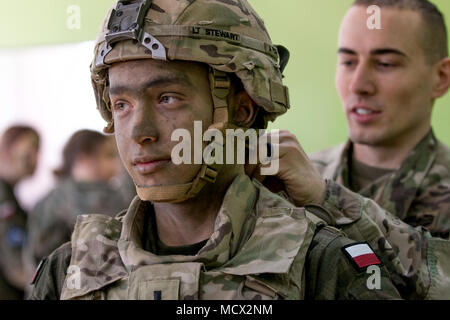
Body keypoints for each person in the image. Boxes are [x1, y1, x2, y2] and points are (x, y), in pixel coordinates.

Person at [28, 0, 400, 300]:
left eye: (167, 99)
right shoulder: (71, 270)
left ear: (242, 108)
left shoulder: (320, 264)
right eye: (121, 104)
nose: (138, 132)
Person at [248, 0, 450, 299]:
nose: (359, 85)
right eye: (348, 62)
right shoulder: (289, 178)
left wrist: (327, 199)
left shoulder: (313, 185)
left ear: (441, 78)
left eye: (385, 64)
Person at [24, 129, 134, 274]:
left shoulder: (54, 196)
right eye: (109, 155)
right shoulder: (76, 196)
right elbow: (126, 210)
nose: (115, 162)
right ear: (84, 160)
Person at [0, 125, 40, 299]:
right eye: (30, 150)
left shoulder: (9, 195)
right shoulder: (3, 200)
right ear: (8, 150)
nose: (36, 158)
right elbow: (16, 267)